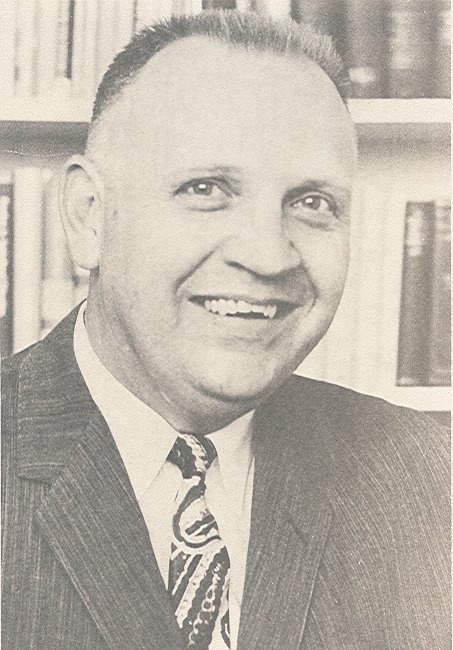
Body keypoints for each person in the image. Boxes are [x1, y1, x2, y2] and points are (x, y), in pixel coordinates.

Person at [1, 11, 449, 650]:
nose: (270, 256)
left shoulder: (425, 477)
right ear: (88, 217)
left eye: (312, 203)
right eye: (206, 188)